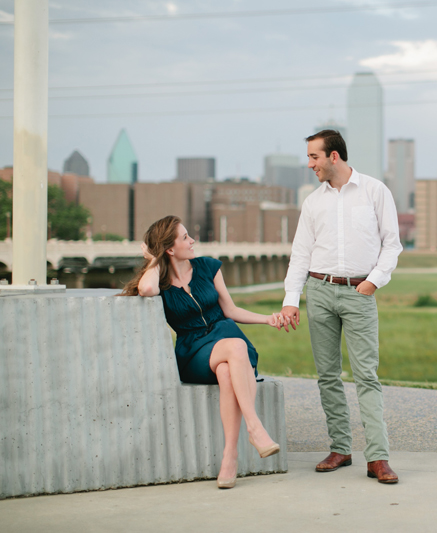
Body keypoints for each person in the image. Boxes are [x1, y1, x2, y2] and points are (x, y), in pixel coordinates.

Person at [120, 215, 284, 490]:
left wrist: (267, 318)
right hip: (193, 351)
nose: (192, 240)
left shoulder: (208, 267)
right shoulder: (157, 281)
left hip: (225, 339)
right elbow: (145, 289)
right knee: (236, 347)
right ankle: (254, 427)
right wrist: (153, 259)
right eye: (185, 238)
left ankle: (229, 457)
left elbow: (230, 310)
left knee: (228, 368)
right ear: (169, 249)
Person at [279, 130, 403, 484]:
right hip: (318, 291)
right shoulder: (313, 201)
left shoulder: (375, 191)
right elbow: (300, 254)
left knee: (367, 375)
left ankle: (378, 458)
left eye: (314, 157)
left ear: (334, 156)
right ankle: (340, 449)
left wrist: (373, 282)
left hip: (359, 293)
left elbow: (392, 245)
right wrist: (291, 300)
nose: (309, 164)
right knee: (327, 376)